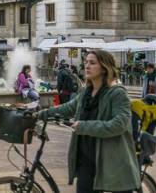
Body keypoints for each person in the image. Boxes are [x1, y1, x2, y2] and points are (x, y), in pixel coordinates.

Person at [39, 49, 140, 193]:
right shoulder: (86, 91)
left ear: (105, 68)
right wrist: (42, 113)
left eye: (92, 63)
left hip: (109, 160)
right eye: (86, 62)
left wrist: (84, 126)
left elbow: (119, 125)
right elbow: (69, 108)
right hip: (85, 159)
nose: (87, 66)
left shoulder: (117, 93)